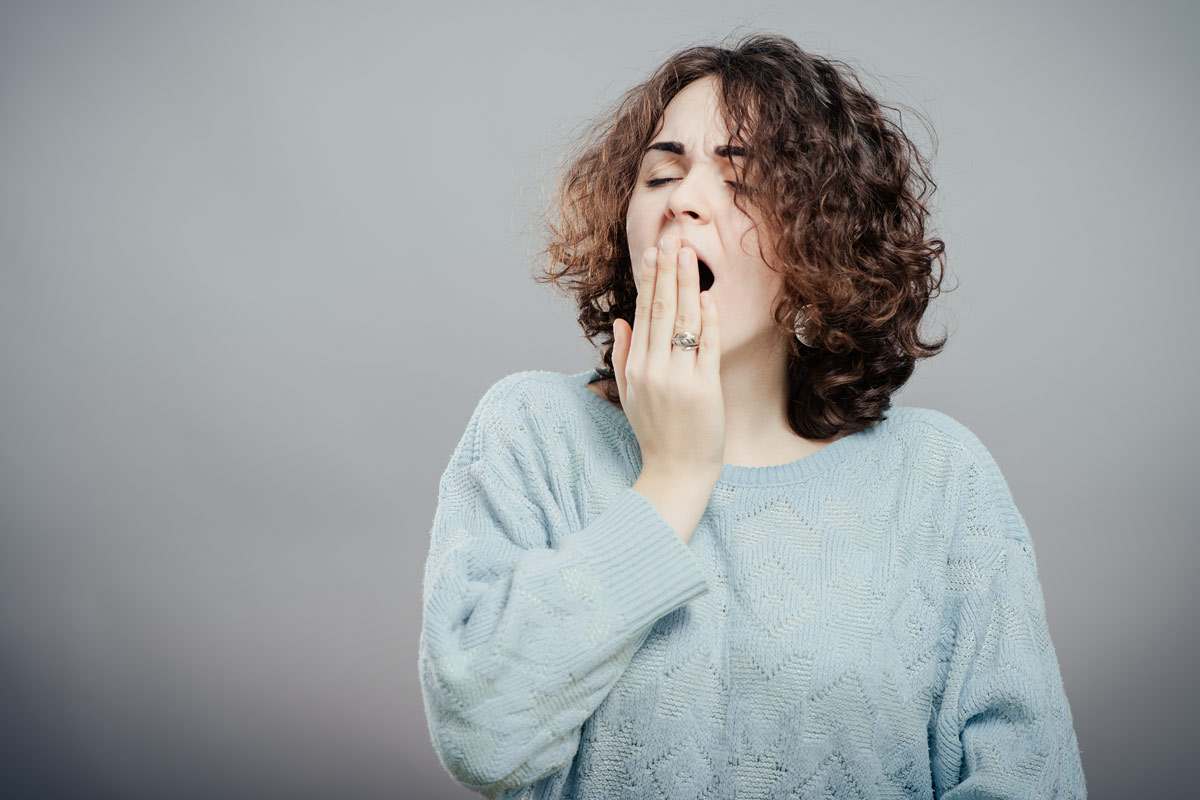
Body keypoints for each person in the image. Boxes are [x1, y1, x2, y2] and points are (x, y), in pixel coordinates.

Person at [418, 32, 1086, 799]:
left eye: (741, 182)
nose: (683, 200)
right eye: (661, 174)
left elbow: (1032, 779)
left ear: (820, 245)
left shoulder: (940, 479)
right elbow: (480, 732)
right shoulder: (532, 431)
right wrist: (672, 479)